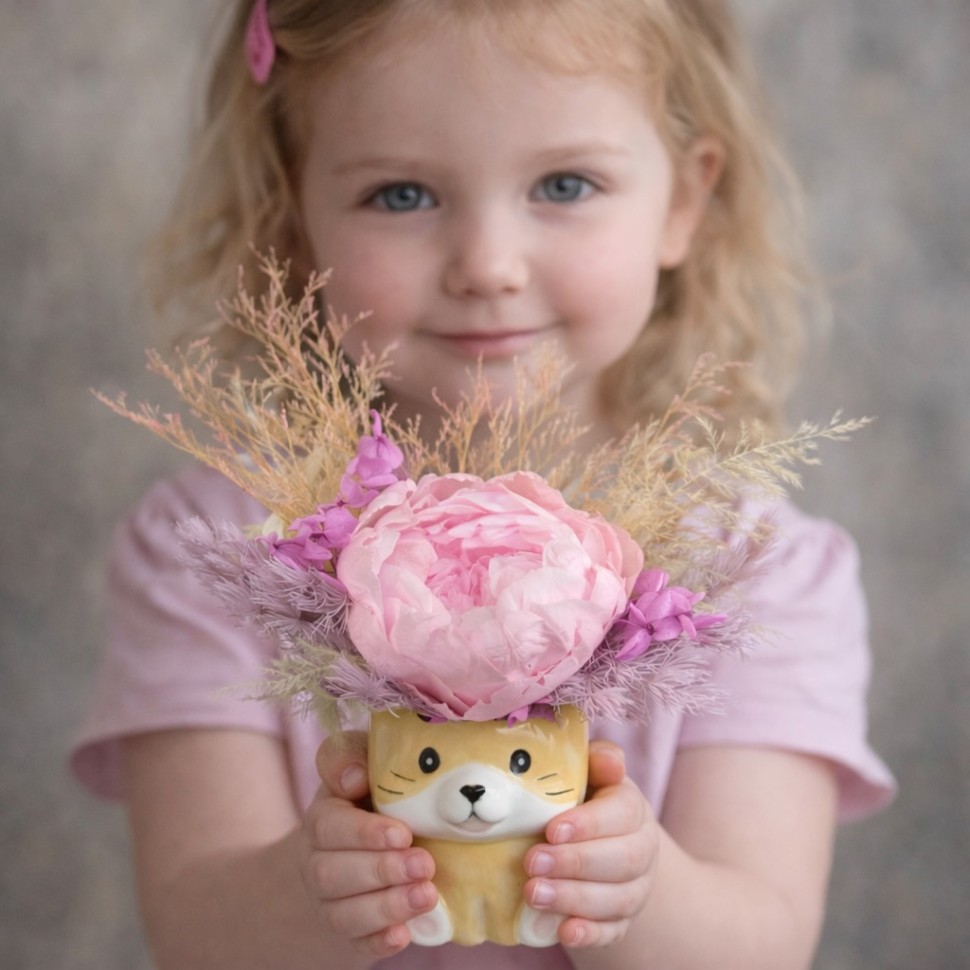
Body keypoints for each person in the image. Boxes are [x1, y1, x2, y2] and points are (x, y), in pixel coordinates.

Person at [71, 1, 896, 968]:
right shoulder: (215, 553)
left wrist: (635, 890)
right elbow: (199, 939)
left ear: (684, 200)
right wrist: (316, 887)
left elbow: (760, 948)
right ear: (292, 216)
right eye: (403, 196)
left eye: (565, 183)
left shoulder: (760, 574)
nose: (487, 266)